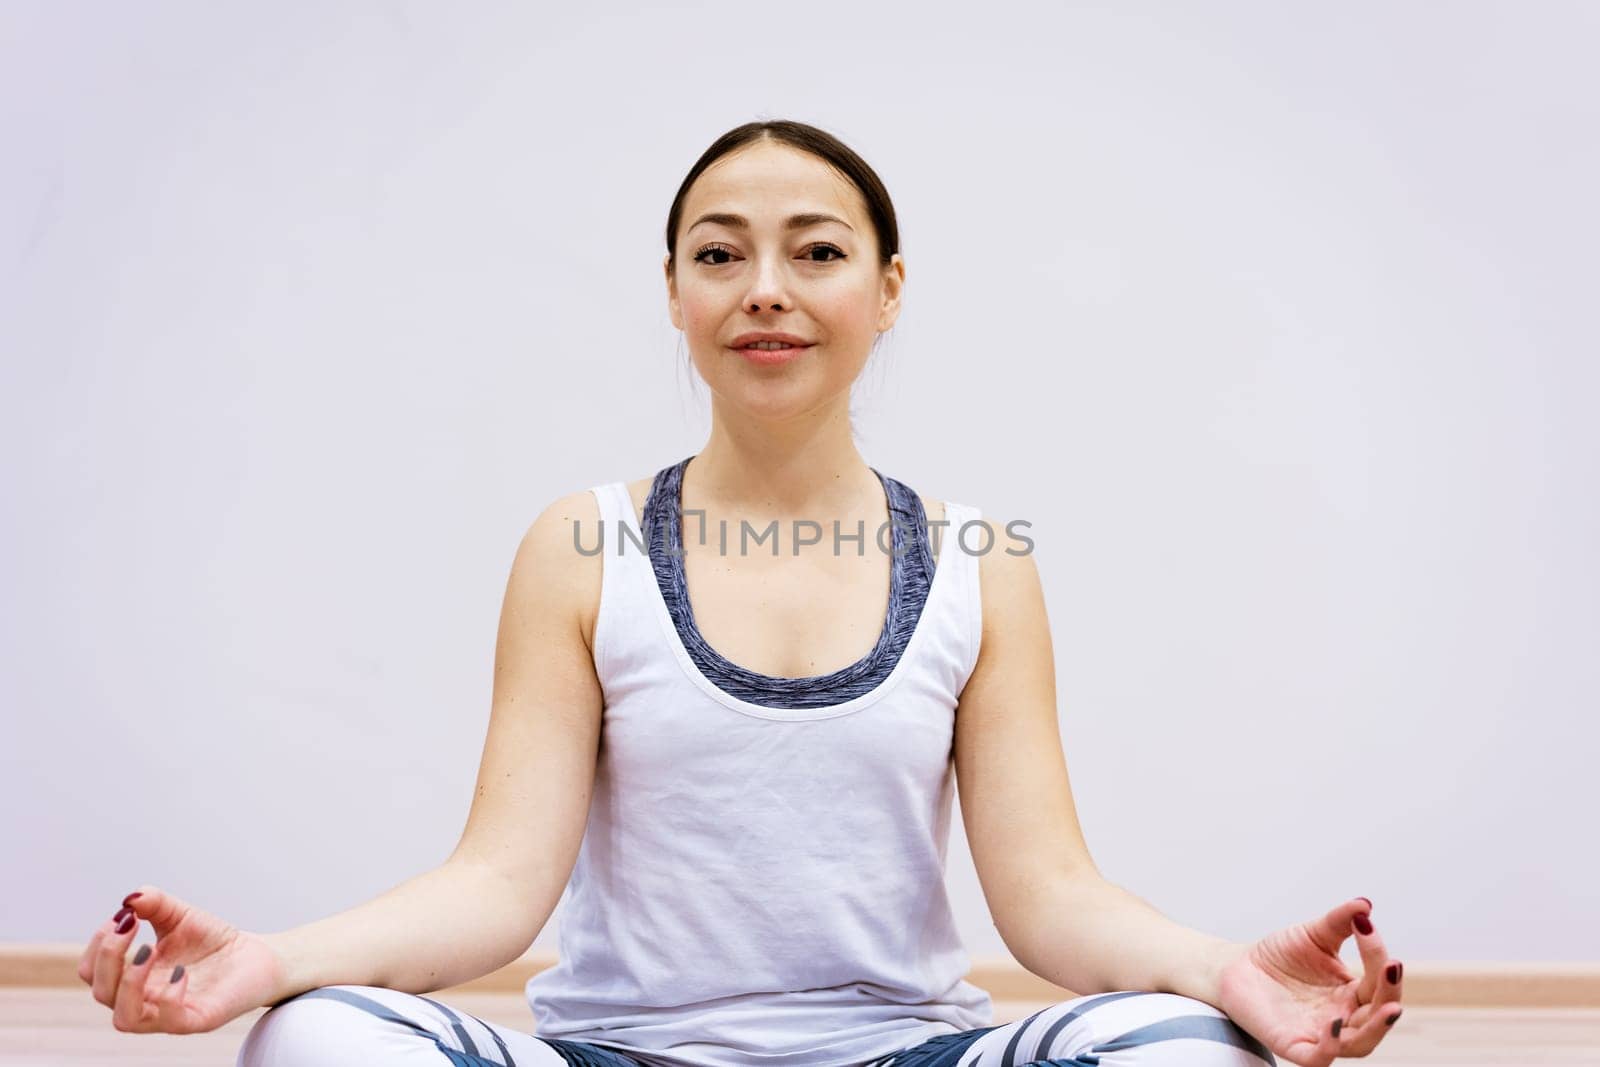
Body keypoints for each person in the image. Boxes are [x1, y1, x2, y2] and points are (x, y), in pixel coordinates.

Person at [78, 119, 1405, 1067]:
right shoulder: (580, 544)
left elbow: (1051, 893)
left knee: (1195, 1050)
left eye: (816, 253)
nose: (765, 290)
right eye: (719, 256)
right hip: (617, 1057)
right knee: (313, 1041)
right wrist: (273, 960)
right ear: (673, 293)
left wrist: (1225, 973)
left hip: (902, 1058)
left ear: (887, 293)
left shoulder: (984, 558)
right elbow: (495, 882)